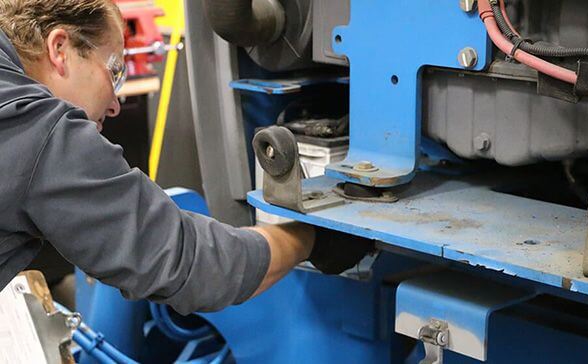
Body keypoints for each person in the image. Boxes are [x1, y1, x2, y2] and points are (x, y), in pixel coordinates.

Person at [0, 0, 368, 315]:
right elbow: (187, 262)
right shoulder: (37, 129)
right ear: (60, 49)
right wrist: (310, 237)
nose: (114, 105)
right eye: (114, 71)